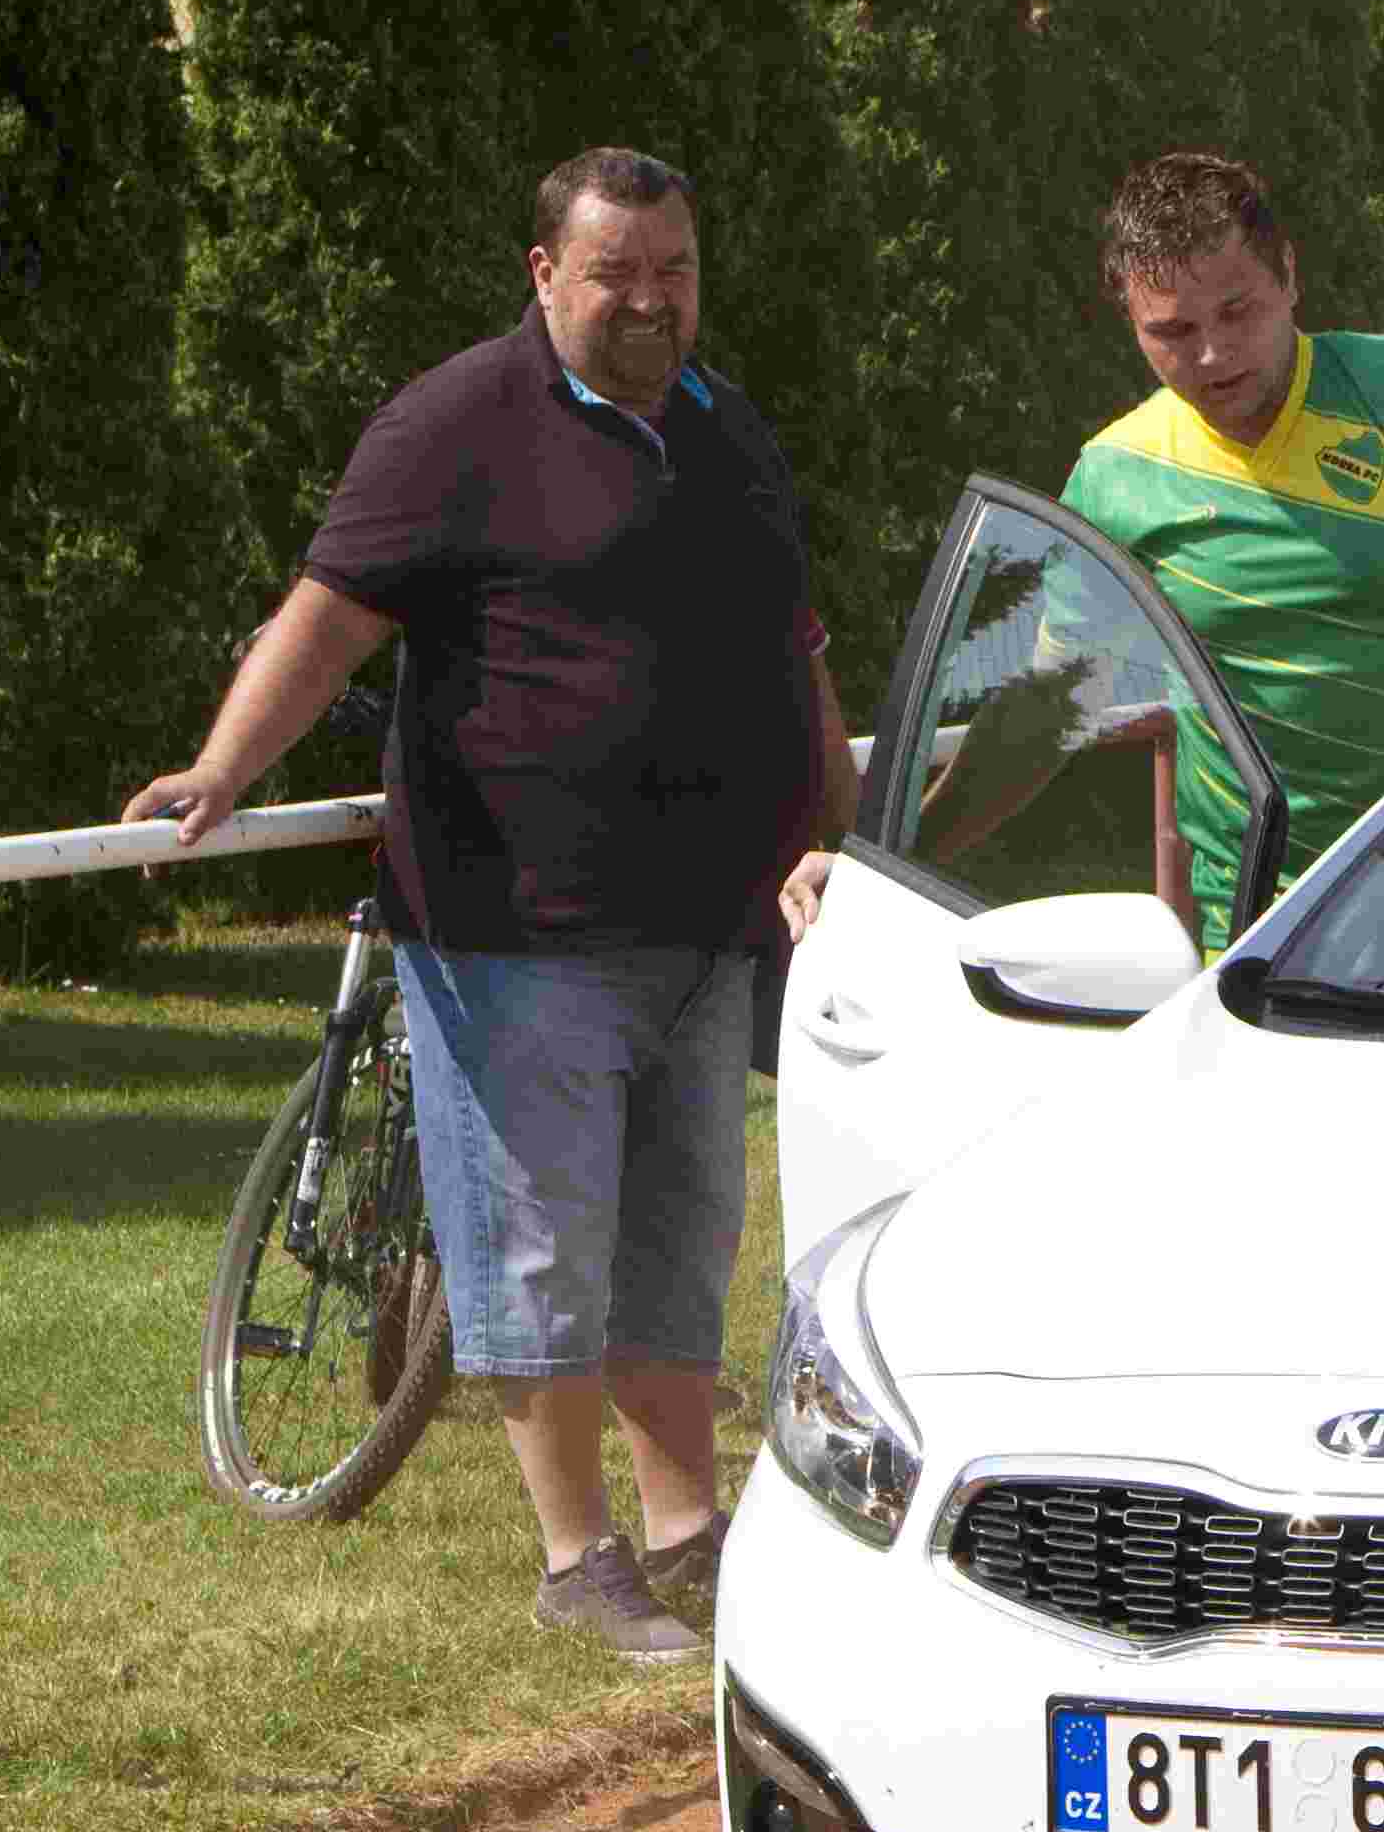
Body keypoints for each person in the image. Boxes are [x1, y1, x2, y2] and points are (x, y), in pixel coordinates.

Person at [129, 148, 855, 1661]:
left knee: (680, 1243)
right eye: (616, 275)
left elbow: (793, 651)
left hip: (704, 931)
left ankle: (688, 1530)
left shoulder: (728, 430)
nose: (651, 302)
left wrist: (838, 832)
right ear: (544, 275)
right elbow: (325, 622)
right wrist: (218, 768)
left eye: (675, 273)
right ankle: (575, 1554)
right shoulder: (454, 421)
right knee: (540, 1252)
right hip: (514, 929)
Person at [810, 149, 1384, 956]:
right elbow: (1047, 710)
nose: (1214, 354)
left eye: (1238, 311)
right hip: (1265, 922)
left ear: (1289, 275)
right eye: (1173, 331)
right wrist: (880, 864)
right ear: (1131, 324)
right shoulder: (1116, 477)